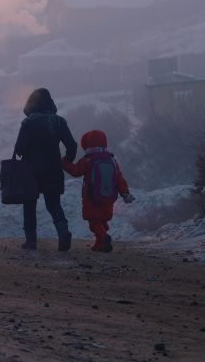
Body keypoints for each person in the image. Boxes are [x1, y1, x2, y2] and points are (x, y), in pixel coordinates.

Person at [14, 88, 77, 251]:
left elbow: (20, 149)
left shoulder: (28, 123)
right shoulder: (58, 121)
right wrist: (67, 161)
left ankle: (31, 241)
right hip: (53, 170)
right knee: (54, 204)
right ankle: (63, 233)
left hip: (31, 172)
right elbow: (72, 145)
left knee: (29, 205)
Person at [62, 130, 134, 252]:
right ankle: (100, 244)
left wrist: (64, 163)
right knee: (102, 220)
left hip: (91, 198)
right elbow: (119, 178)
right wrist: (125, 193)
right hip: (109, 197)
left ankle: (104, 238)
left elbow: (76, 171)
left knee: (94, 221)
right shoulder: (112, 160)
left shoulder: (88, 160)